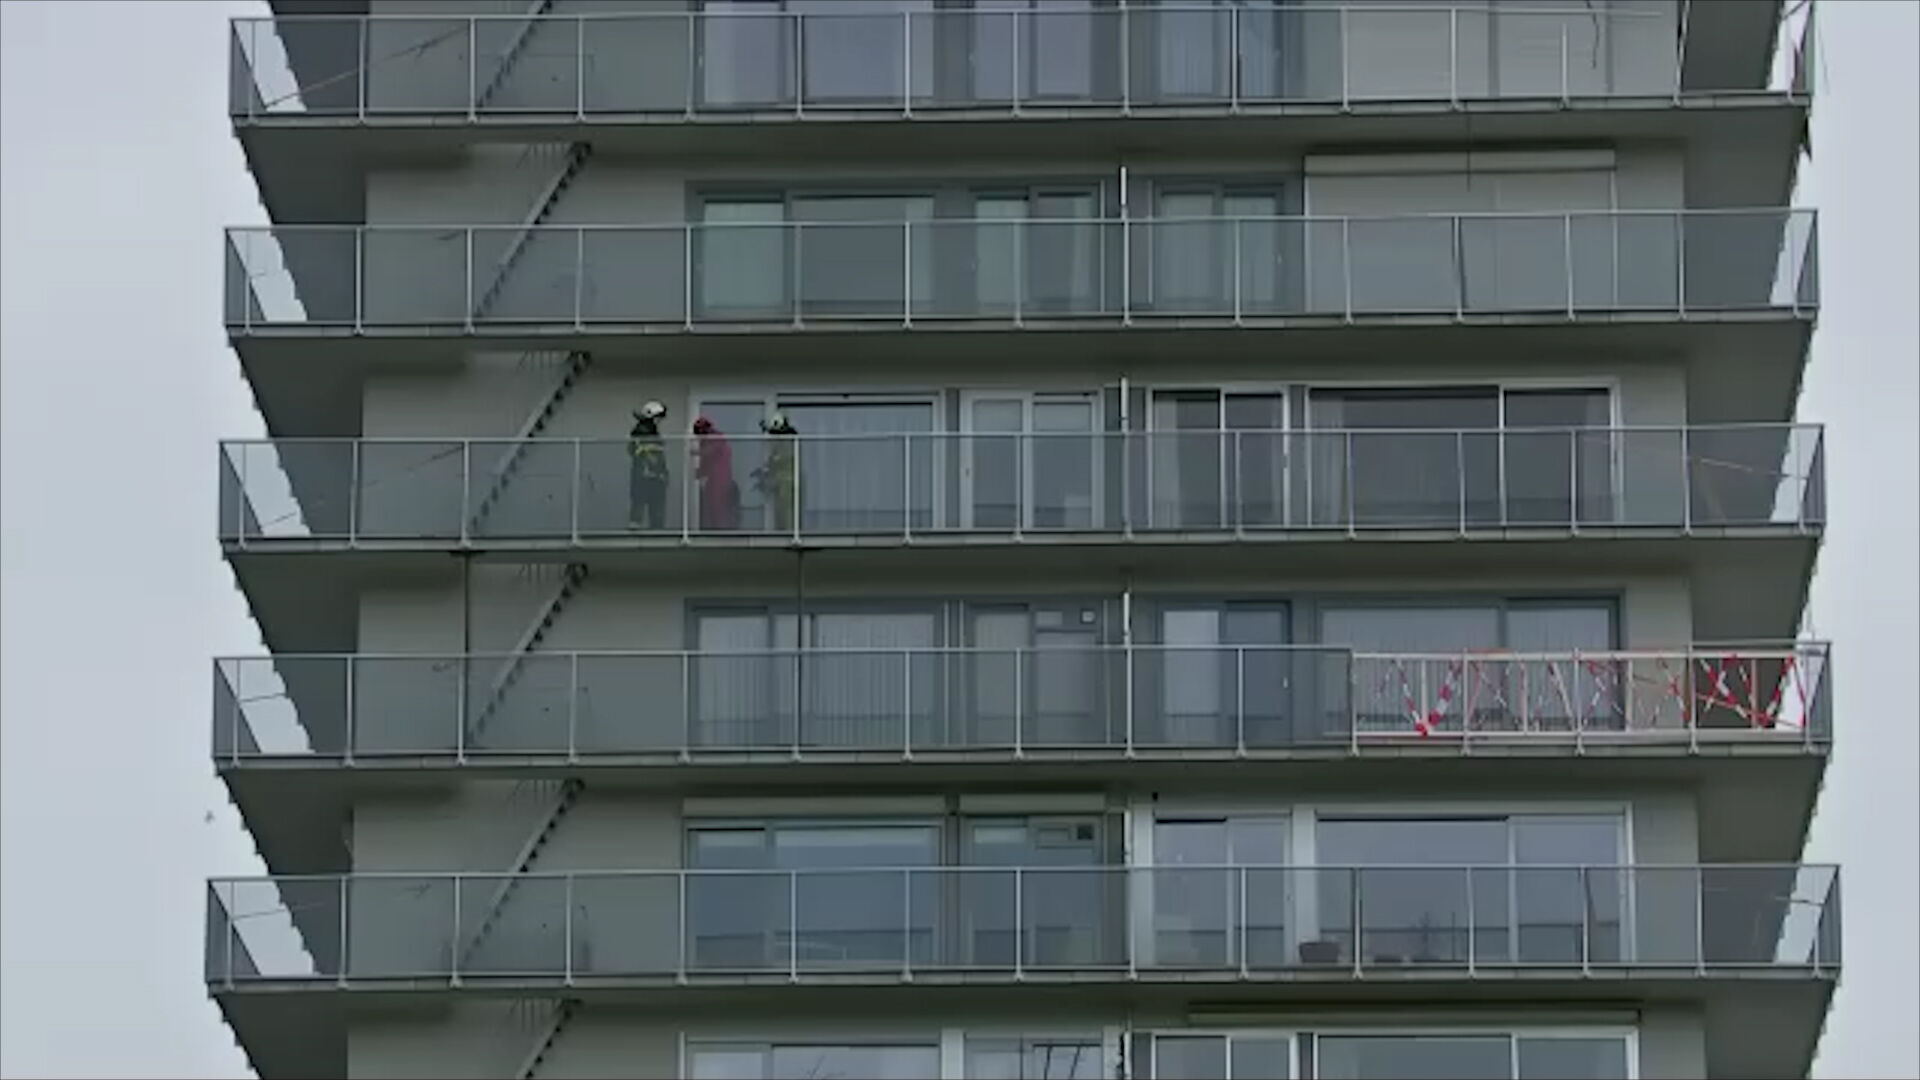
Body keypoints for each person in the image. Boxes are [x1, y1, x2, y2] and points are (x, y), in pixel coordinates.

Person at [692, 415, 740, 531]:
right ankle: (713, 528)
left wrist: (697, 452)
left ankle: (721, 530)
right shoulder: (708, 441)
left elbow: (711, 451)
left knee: (719, 505)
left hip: (721, 478)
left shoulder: (717, 438)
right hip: (713, 479)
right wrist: (699, 472)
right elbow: (706, 462)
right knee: (711, 505)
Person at [628, 401, 670, 530]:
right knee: (639, 506)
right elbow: (635, 451)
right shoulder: (640, 433)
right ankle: (636, 532)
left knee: (656, 511)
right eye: (658, 418)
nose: (659, 421)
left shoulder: (653, 434)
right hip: (643, 475)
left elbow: (659, 457)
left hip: (655, 477)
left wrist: (663, 472)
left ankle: (655, 532)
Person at [754, 412, 798, 532]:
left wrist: (770, 467)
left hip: (787, 482)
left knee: (786, 510)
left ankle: (787, 531)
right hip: (782, 482)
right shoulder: (782, 445)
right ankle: (782, 529)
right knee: (780, 509)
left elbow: (781, 461)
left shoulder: (789, 444)